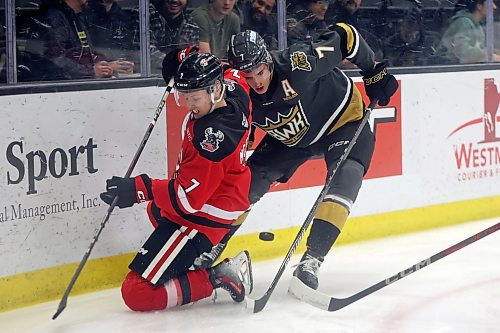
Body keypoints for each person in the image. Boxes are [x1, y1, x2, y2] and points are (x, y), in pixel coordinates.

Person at [209, 28, 397, 291]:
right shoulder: (235, 88)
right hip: (289, 139)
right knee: (244, 186)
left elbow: (345, 35)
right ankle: (210, 246)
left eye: (261, 72)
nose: (257, 82)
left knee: (346, 175)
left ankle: (312, 259)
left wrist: (372, 69)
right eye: (248, 77)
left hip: (341, 122)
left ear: (268, 60)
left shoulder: (300, 62)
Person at [99, 48, 254, 311]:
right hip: (226, 197)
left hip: (203, 214)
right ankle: (194, 258)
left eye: (194, 97)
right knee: (157, 209)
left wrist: (139, 188)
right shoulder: (233, 89)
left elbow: (187, 200)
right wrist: (183, 56)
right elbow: (229, 70)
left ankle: (218, 275)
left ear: (215, 90)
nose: (189, 104)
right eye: (184, 97)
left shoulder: (212, 139)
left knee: (137, 293)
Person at [23, 0, 115, 81]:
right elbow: (52, 59)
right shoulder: (53, 18)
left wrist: (104, 66)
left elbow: (84, 52)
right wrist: (90, 72)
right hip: (55, 90)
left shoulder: (76, 17)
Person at [146, 0, 200, 72]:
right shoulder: (145, 15)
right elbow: (142, 53)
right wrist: (176, 61)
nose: (174, 0)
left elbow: (193, 58)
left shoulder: (190, 23)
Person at [84, 0, 135, 76]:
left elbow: (136, 51)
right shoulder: (83, 15)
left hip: (124, 76)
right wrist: (105, 67)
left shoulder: (125, 16)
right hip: (92, 79)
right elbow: (77, 55)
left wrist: (132, 66)